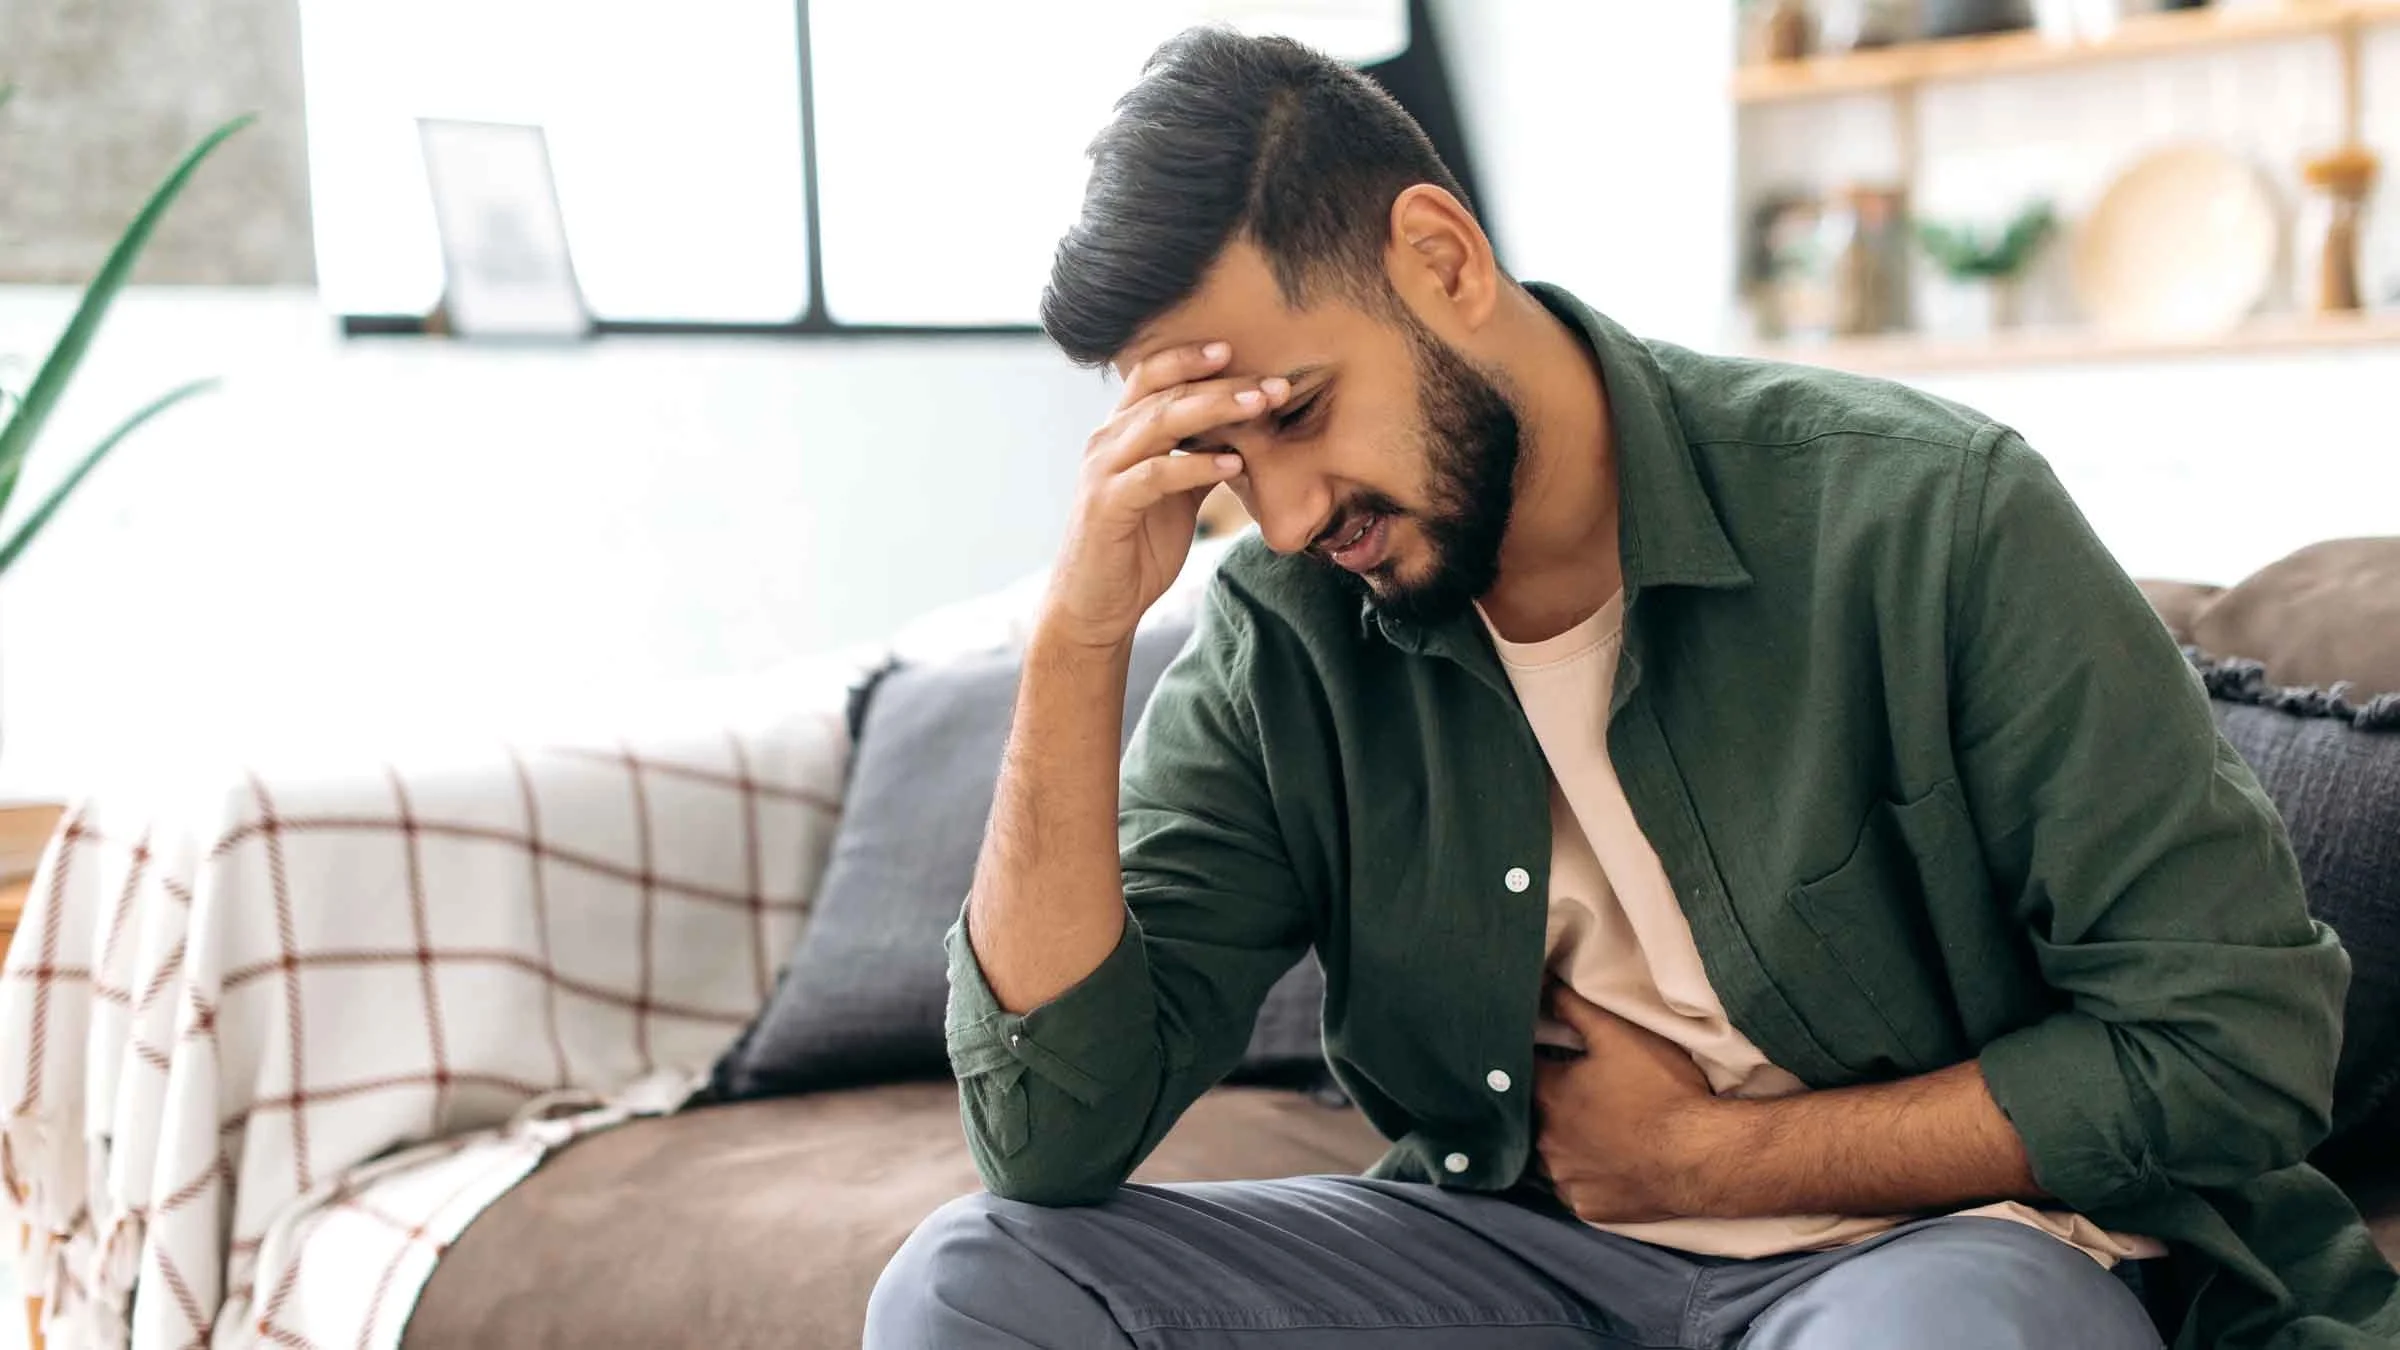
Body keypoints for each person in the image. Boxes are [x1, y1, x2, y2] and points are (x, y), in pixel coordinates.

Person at [864, 27, 2400, 1350]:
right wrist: (1077, 640)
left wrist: (1712, 1159)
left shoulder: (1924, 516)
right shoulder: (1289, 622)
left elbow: (2236, 1043)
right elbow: (1047, 1139)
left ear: (1441, 259)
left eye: (1300, 412)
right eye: (1220, 455)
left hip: (1940, 1252)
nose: (1280, 514)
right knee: (978, 1282)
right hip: (1513, 1255)